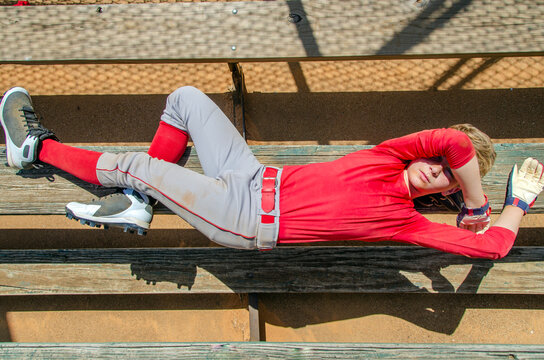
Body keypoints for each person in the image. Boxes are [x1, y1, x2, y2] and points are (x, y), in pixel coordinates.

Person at [1, 86, 543, 259]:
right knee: (185, 98)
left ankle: (32, 148)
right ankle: (142, 201)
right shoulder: (389, 156)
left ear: (446, 190)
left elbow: (493, 247)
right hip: (252, 177)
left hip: (244, 221)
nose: (436, 168)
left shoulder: (405, 222)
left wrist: (514, 205)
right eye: (440, 163)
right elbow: (450, 139)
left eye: (447, 175)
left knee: (134, 166)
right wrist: (475, 203)